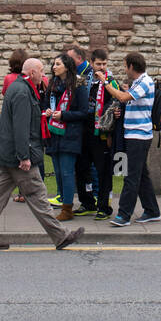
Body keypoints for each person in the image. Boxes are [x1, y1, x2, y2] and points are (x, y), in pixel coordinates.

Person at [0, 58, 84, 250]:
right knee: (38, 195)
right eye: (41, 71)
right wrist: (24, 156)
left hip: (10, 154)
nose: (44, 75)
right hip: (19, 156)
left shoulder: (19, 88)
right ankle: (60, 236)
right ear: (31, 72)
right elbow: (21, 127)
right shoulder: (23, 93)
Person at [103, 53, 161, 228]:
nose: (124, 69)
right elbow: (127, 102)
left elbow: (122, 97)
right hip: (133, 134)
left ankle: (124, 214)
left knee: (131, 176)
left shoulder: (145, 82)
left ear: (131, 66)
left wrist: (105, 83)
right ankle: (152, 211)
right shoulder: (138, 83)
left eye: (125, 65)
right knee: (141, 175)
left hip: (139, 135)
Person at [46, 53, 90, 221]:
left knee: (66, 172)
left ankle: (68, 208)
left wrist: (63, 115)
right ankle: (62, 201)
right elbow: (45, 104)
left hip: (70, 133)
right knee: (57, 172)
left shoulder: (78, 84)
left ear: (67, 66)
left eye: (58, 64)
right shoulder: (53, 84)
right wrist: (48, 111)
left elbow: (84, 112)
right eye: (54, 64)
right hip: (54, 133)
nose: (54, 67)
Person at [85, 48, 118, 220]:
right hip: (87, 131)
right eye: (99, 64)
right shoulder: (86, 81)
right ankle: (88, 202)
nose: (102, 67)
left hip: (103, 133)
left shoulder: (111, 82)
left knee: (104, 171)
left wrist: (110, 135)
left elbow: (115, 105)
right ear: (92, 64)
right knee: (85, 168)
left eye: (105, 64)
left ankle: (104, 206)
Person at [65, 45, 99, 215]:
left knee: (90, 165)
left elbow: (83, 102)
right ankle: (88, 200)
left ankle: (94, 198)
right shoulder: (77, 74)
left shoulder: (85, 74)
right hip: (82, 125)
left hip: (90, 125)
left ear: (78, 59)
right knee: (82, 165)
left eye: (69, 59)